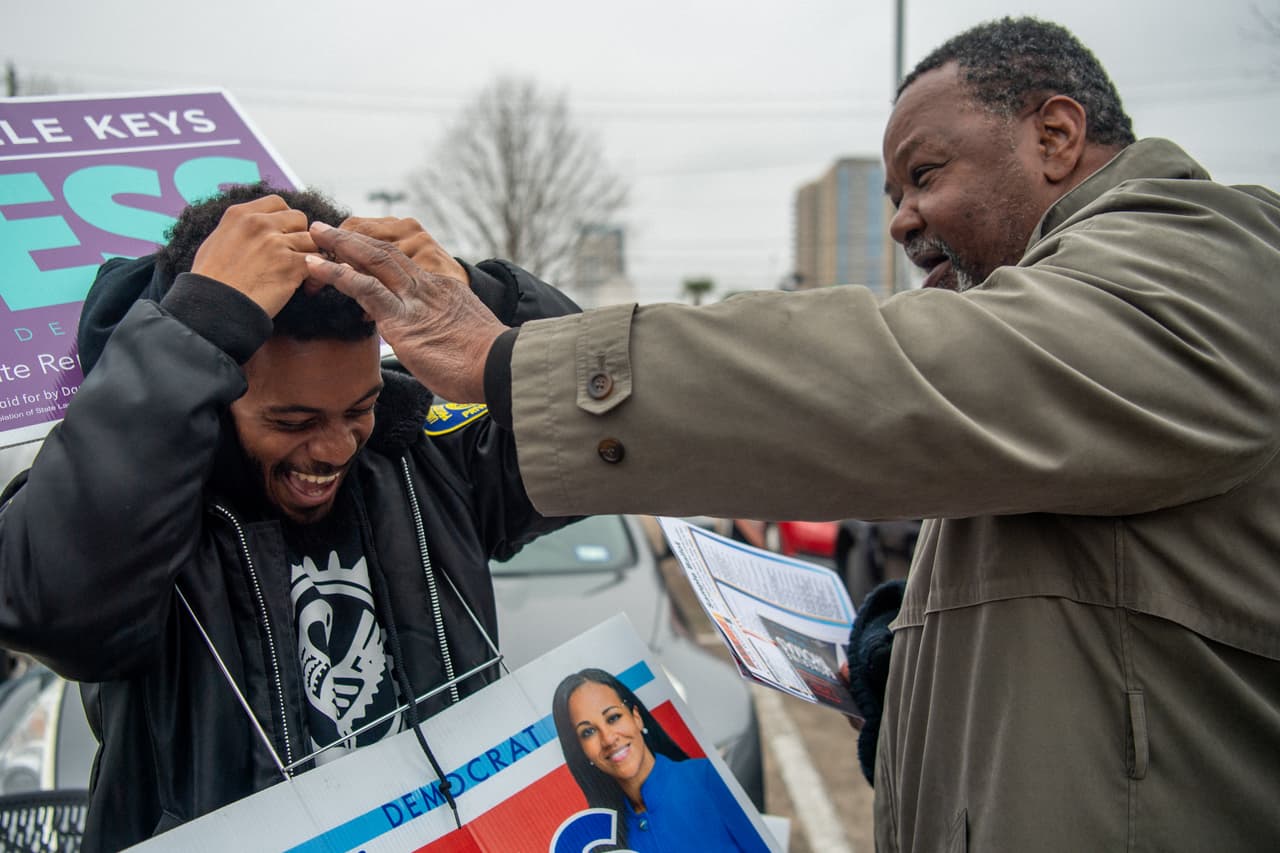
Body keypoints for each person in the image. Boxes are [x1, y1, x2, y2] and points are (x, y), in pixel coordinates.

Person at [305, 16, 1280, 852]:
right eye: (894, 193)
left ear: (1055, 135)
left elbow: (911, 374)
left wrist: (519, 362)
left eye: (923, 176)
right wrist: (915, 664)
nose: (902, 222)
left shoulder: (1198, 259)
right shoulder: (1075, 321)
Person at [0, 182, 580, 850]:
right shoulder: (140, 505)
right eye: (292, 421)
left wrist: (488, 303)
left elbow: (593, 437)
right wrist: (195, 324)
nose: (335, 447)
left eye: (359, 406)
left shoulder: (422, 458)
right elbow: (49, 607)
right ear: (211, 392)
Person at [551, 668, 768, 852]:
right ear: (581, 751)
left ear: (636, 717)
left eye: (613, 718)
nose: (608, 739)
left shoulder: (707, 778)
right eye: (588, 732)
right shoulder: (603, 837)